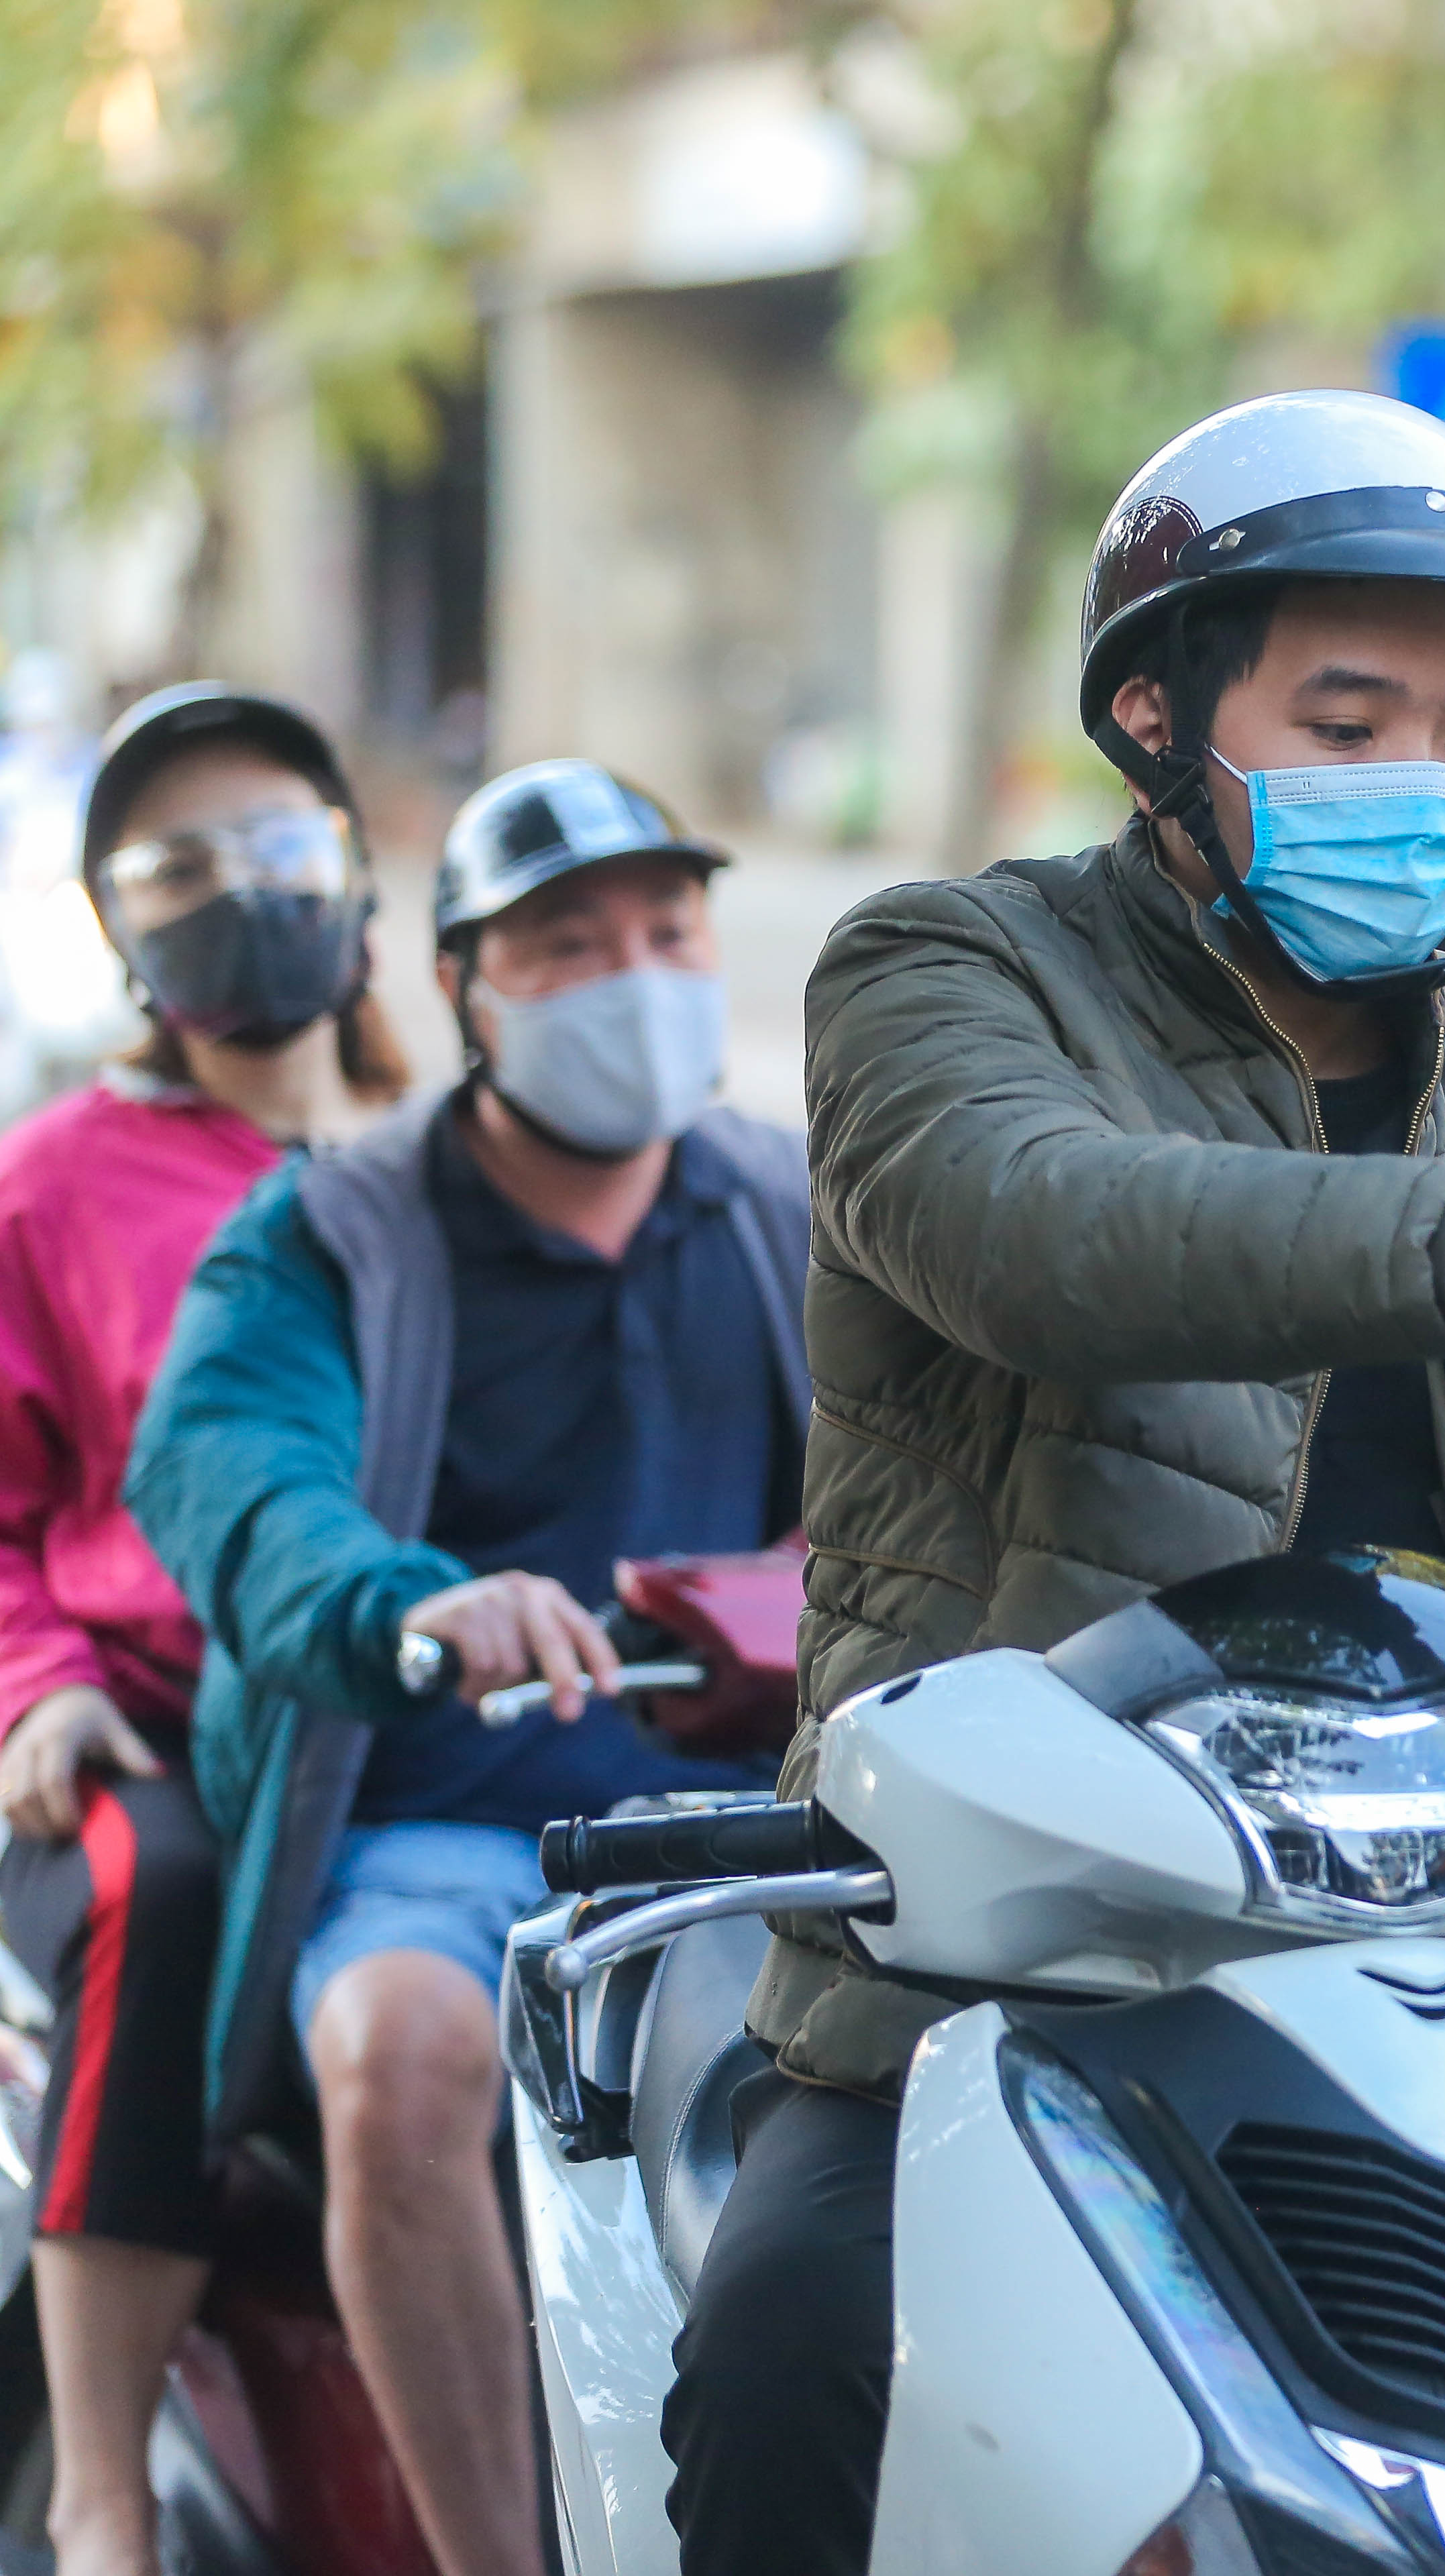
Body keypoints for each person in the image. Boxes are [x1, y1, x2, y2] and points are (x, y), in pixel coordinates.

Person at [665, 389, 1445, 2576]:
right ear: (1159, 716)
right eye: (1349, 720)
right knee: (796, 2341)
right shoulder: (945, 973)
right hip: (1016, 1977)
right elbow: (1024, 1222)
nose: (1430, 784)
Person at [127, 757, 800, 2576]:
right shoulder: (330, 1233)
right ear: (464, 989)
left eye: (667, 930)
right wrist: (416, 1604)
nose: (636, 975)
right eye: (569, 946)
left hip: (752, 1834)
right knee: (402, 2058)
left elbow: (971, 1476)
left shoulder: (789, 1208)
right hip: (441, 1837)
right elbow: (235, 1488)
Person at [0, 686, 406, 2576]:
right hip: (156, 1726)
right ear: (118, 930)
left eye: (282, 849)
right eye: (182, 868)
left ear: (360, 875)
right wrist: (46, 1690)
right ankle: (96, 2495)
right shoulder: (57, 1179)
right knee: (156, 1884)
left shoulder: (454, 1161)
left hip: (407, 1712)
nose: (243, 894)